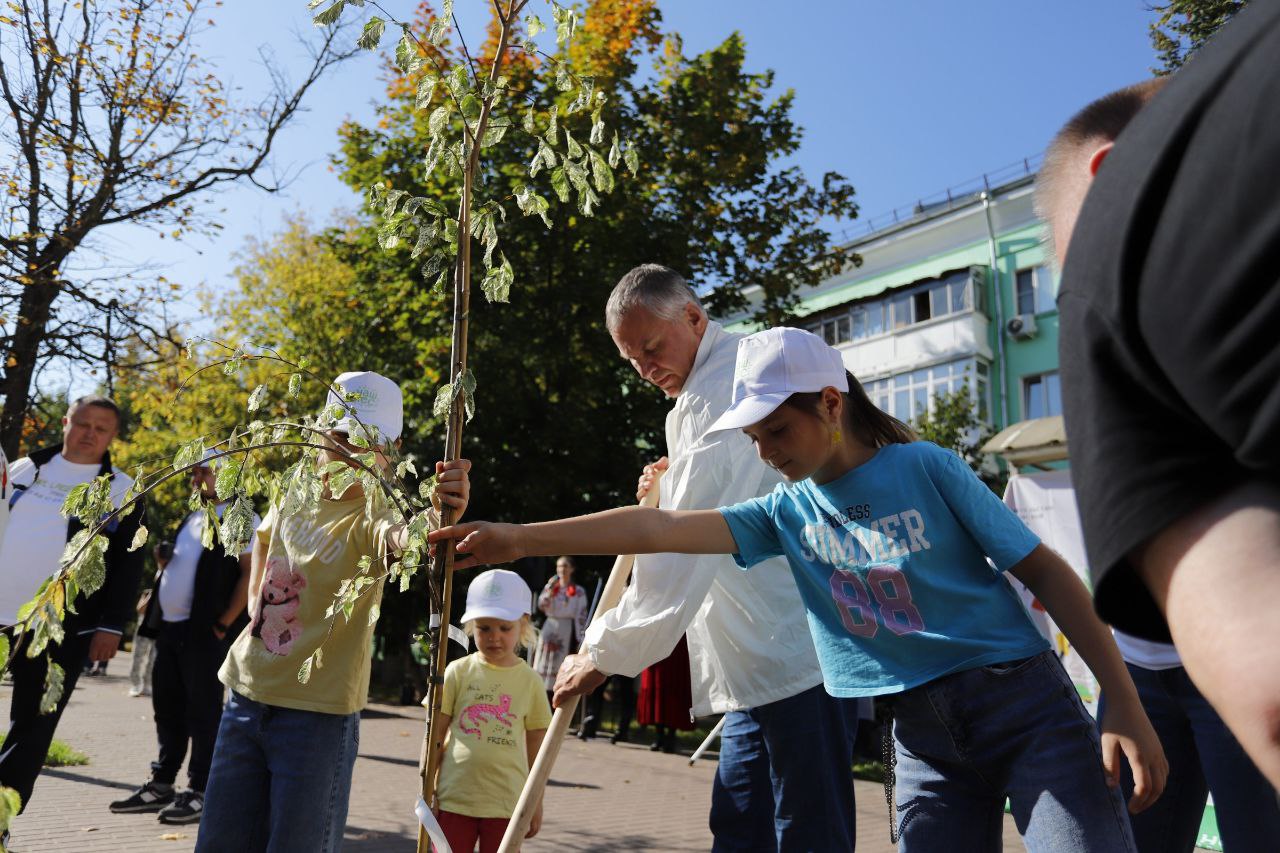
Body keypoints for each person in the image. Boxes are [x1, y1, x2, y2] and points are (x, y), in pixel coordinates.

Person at [434, 326, 1169, 851]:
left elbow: (1045, 570)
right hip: (919, 737)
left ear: (828, 402)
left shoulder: (925, 467)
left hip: (1022, 705)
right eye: (753, 440)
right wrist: (523, 537)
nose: (767, 452)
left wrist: (1122, 700)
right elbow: (658, 530)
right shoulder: (784, 513)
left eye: (777, 431)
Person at [1037, 76, 1280, 851]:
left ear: (1114, 180)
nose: (1073, 296)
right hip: (1144, 671)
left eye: (1067, 253)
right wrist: (1119, 688)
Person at [554, 264, 859, 852]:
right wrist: (673, 478)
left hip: (796, 653)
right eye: (632, 361)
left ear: (693, 317)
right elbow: (714, 496)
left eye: (652, 348)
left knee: (799, 832)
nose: (646, 370)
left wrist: (605, 651)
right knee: (745, 824)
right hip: (762, 661)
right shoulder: (708, 390)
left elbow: (679, 545)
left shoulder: (720, 389)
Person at [195, 372, 472, 853]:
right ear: (320, 432)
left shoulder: (376, 509)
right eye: (340, 435)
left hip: (317, 715)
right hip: (245, 693)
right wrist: (259, 607)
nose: (349, 450)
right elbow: (263, 543)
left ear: (393, 447)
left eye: (368, 442)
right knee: (219, 842)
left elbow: (407, 541)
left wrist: (440, 515)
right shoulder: (293, 488)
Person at [0, 395, 145, 818]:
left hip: (57, 626)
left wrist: (112, 626)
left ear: (113, 435)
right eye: (83, 423)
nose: (90, 434)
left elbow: (127, 564)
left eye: (101, 428)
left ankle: (3, 817)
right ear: (66, 422)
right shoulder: (25, 470)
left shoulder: (121, 489)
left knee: (33, 724)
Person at [110, 453, 259, 824]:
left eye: (202, 472)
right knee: (168, 708)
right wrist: (164, 564)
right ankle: (161, 783)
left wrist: (223, 624)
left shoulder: (241, 518)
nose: (195, 479)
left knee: (203, 713)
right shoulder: (195, 515)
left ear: (224, 475)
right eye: (194, 473)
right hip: (172, 629)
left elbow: (248, 573)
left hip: (206, 634)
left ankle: (201, 789)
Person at [429, 568, 552, 853]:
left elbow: (538, 749)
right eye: (484, 628)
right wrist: (427, 789)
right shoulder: (458, 672)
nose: (494, 637)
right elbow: (436, 731)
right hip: (453, 798)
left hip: (507, 804)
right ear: (471, 626)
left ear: (522, 626)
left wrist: (535, 802)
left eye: (504, 628)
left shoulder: (531, 681)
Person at [531, 556, 588, 701]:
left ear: (572, 569)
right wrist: (549, 590)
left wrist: (580, 637)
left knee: (561, 661)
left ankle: (557, 695)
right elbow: (541, 606)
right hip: (550, 625)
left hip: (566, 628)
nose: (562, 569)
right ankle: (540, 694)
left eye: (565, 566)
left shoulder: (578, 591)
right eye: (559, 566)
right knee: (544, 661)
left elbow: (581, 615)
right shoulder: (551, 587)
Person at [127, 542, 173, 699]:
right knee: (138, 655)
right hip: (146, 620)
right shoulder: (160, 573)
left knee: (153, 658)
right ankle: (135, 684)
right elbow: (141, 608)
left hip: (160, 622)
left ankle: (147, 684)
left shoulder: (170, 573)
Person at [635, 634, 695, 753]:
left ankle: (671, 735)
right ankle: (659, 735)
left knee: (675, 684)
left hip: (678, 642)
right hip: (657, 641)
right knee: (657, 685)